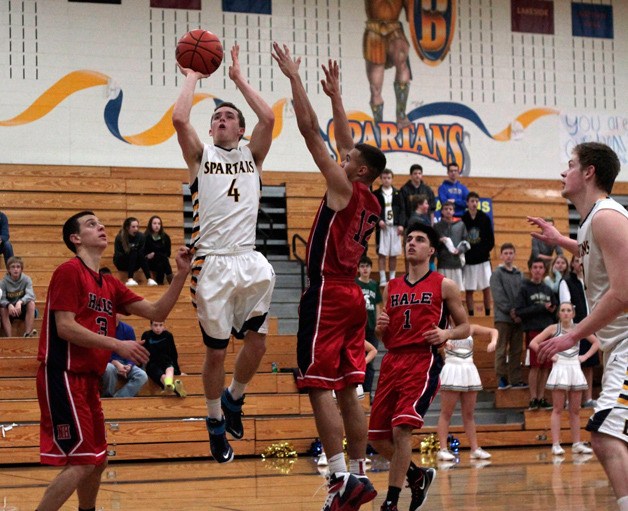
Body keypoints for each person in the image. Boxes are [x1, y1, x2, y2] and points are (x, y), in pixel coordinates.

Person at [273, 44, 385, 510]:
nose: (341, 158)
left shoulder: (343, 188)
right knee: (348, 389)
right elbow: (344, 141)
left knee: (318, 385)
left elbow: (309, 132)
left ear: (357, 171)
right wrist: (338, 97)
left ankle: (338, 477)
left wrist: (296, 80)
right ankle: (359, 474)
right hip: (354, 296)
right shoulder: (371, 199)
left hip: (326, 293)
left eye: (348, 158)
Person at [35, 210, 191, 511]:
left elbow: (158, 312)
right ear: (76, 238)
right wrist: (118, 344)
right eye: (91, 224)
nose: (101, 226)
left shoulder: (109, 285)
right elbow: (64, 327)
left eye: (100, 222)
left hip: (88, 380)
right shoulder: (69, 271)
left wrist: (181, 273)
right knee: (81, 462)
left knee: (98, 460)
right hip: (63, 375)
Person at [172, 44, 276, 464]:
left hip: (248, 257)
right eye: (216, 117)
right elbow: (180, 118)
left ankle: (235, 397)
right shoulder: (201, 156)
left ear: (241, 129)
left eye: (228, 116)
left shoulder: (253, 155)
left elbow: (269, 118)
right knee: (216, 352)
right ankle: (215, 421)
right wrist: (193, 74)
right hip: (211, 262)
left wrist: (238, 79)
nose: (219, 119)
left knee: (260, 341)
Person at [528, 142, 627, 510]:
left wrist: (573, 333)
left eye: (570, 164)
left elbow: (623, 294)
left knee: (603, 435)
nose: (562, 172)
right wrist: (560, 240)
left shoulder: (607, 217)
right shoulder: (593, 223)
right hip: (619, 346)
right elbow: (593, 252)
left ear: (588, 172)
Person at [369, 222, 470, 511]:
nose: (411, 243)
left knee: (401, 429)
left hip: (423, 360)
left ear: (431, 249)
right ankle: (418, 475)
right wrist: (380, 329)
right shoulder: (391, 287)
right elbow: (385, 334)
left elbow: (464, 326)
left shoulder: (444, 285)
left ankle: (390, 502)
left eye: (419, 239)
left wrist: (446, 334)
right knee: (376, 437)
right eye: (409, 239)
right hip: (392, 359)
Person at [529, 302, 599, 456]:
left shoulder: (580, 329)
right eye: (563, 310)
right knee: (558, 409)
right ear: (559, 313)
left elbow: (596, 343)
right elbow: (533, 343)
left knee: (575, 410)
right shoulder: (553, 329)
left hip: (574, 368)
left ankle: (576, 443)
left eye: (569, 310)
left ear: (573, 313)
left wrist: (584, 357)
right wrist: (550, 355)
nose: (566, 313)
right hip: (560, 368)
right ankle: (555, 444)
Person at [437, 323, 497, 461]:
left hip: (469, 369)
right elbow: (430, 341)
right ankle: (443, 449)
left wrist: (493, 342)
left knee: (469, 414)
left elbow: (493, 331)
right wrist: (442, 346)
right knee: (446, 412)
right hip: (452, 368)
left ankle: (475, 449)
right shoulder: (443, 327)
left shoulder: (471, 328)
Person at [515, 257, 557, 410]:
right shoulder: (524, 288)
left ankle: (541, 397)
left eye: (540, 267)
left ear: (544, 270)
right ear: (530, 270)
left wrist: (553, 309)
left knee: (546, 366)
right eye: (535, 267)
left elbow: (554, 309)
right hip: (533, 331)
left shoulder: (548, 289)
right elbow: (519, 311)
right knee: (535, 366)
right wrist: (540, 308)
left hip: (547, 331)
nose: (538, 270)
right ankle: (533, 398)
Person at [363, 0, 412, 128]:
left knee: (402, 65)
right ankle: (379, 124)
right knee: (375, 87)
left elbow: (412, 15)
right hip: (374, 31)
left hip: (394, 30)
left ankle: (401, 116)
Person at [559, 254, 599, 407]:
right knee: (573, 364)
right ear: (572, 264)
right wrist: (571, 327)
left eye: (582, 261)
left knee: (589, 364)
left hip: (592, 325)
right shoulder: (566, 282)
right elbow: (566, 305)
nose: (580, 264)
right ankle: (570, 400)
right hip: (576, 328)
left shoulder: (590, 280)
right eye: (577, 261)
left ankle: (587, 398)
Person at [489, 243, 527, 390]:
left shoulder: (520, 274)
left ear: (514, 255)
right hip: (503, 318)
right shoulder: (497, 273)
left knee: (516, 350)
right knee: (501, 349)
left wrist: (519, 312)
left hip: (518, 318)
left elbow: (522, 295)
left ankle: (515, 379)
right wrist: (511, 311)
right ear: (501, 255)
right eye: (506, 253)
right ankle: (502, 379)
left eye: (511, 253)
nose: (508, 255)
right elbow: (498, 296)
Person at [461, 191, 495, 316]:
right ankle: (470, 314)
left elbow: (490, 240)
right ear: (467, 203)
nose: (474, 203)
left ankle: (487, 314)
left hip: (483, 259)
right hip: (469, 260)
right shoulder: (463, 219)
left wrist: (484, 251)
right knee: (469, 290)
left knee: (486, 288)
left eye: (476, 201)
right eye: (472, 201)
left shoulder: (484, 218)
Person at [101, 315, 148, 398]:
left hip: (125, 363)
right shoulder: (103, 329)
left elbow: (133, 352)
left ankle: (118, 398)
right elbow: (100, 351)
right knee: (109, 369)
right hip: (108, 361)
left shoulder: (128, 329)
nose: (115, 314)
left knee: (142, 375)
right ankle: (107, 396)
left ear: (121, 315)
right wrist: (115, 363)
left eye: (118, 312)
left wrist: (129, 365)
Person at [355, 255, 383, 395]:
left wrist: (379, 324)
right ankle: (357, 390)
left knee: (370, 362)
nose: (365, 269)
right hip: (358, 328)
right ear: (358, 269)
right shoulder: (355, 284)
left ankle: (367, 392)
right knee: (357, 359)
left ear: (371, 268)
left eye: (367, 266)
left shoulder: (374, 285)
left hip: (371, 328)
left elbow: (378, 305)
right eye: (362, 266)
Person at [373, 168, 405, 287]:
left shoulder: (398, 193)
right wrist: (379, 220)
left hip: (395, 226)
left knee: (393, 253)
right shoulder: (376, 194)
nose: (386, 180)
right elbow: (373, 210)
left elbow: (402, 210)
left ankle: (392, 278)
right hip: (382, 227)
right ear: (381, 179)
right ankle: (382, 278)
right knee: (382, 253)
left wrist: (401, 224)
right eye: (384, 178)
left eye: (389, 178)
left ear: (392, 179)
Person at [141, 320, 186, 397]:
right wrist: (142, 368)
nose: (158, 328)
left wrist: (177, 372)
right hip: (152, 363)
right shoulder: (146, 335)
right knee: (162, 376)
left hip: (166, 361)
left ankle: (169, 385)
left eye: (160, 325)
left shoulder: (168, 335)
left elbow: (173, 354)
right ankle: (174, 388)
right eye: (155, 325)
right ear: (151, 326)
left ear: (164, 325)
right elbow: (142, 352)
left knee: (170, 368)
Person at [433, 201, 470, 290]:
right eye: (446, 209)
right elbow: (433, 244)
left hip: (456, 263)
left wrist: (460, 250)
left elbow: (466, 242)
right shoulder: (437, 226)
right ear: (442, 211)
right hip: (443, 263)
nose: (448, 211)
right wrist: (439, 241)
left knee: (456, 291)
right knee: (442, 290)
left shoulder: (460, 225)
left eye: (450, 209)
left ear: (453, 212)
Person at [113, 217, 158, 287]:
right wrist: (130, 252)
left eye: (137, 226)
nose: (136, 229)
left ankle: (149, 279)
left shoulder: (141, 236)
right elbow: (118, 254)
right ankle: (130, 279)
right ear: (127, 228)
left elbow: (142, 252)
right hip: (121, 262)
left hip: (135, 263)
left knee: (138, 253)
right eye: (133, 227)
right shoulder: (120, 237)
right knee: (133, 251)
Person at [0, 256, 37, 337]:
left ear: (21, 269)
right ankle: (9, 337)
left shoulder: (27, 279)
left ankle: (27, 334)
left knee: (31, 303)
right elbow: (1, 298)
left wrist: (20, 302)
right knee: (2, 308)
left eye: (18, 267)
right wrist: (8, 305)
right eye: (12, 267)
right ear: (8, 269)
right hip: (10, 310)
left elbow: (31, 295)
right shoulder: (3, 282)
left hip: (22, 309)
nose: (15, 269)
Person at [144, 215, 173, 285]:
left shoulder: (165, 237)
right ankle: (171, 280)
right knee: (162, 259)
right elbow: (142, 253)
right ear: (150, 225)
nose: (157, 226)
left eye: (159, 224)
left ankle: (160, 284)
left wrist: (158, 254)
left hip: (161, 262)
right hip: (149, 261)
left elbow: (168, 253)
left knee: (161, 261)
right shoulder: (145, 237)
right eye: (154, 223)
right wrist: (147, 256)